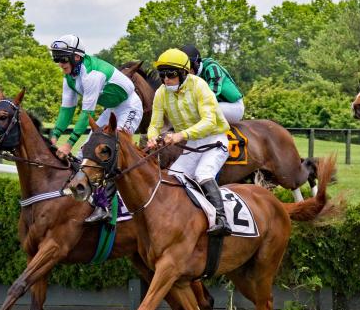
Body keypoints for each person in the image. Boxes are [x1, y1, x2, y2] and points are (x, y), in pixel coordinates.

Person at [49, 34, 143, 223]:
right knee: (86, 150)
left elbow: (86, 114)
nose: (59, 63)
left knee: (106, 151)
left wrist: (68, 144)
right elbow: (66, 111)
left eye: (62, 58)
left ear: (76, 57)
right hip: (112, 109)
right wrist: (53, 136)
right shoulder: (69, 78)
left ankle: (106, 206)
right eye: (56, 58)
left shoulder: (92, 75)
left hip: (129, 107)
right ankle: (86, 192)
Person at [147, 48, 232, 235]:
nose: (166, 80)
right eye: (162, 75)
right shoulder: (161, 93)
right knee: (173, 177)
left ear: (184, 73)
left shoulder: (199, 85)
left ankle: (221, 219)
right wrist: (153, 137)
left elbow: (209, 122)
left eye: (171, 74)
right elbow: (155, 124)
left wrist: (180, 135)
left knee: (203, 174)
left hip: (214, 142)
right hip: (192, 147)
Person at [179, 44, 245, 124]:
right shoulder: (189, 77)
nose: (184, 72)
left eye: (187, 67)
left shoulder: (212, 67)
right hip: (216, 105)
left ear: (196, 63)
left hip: (234, 106)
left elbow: (213, 92)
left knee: (198, 111)